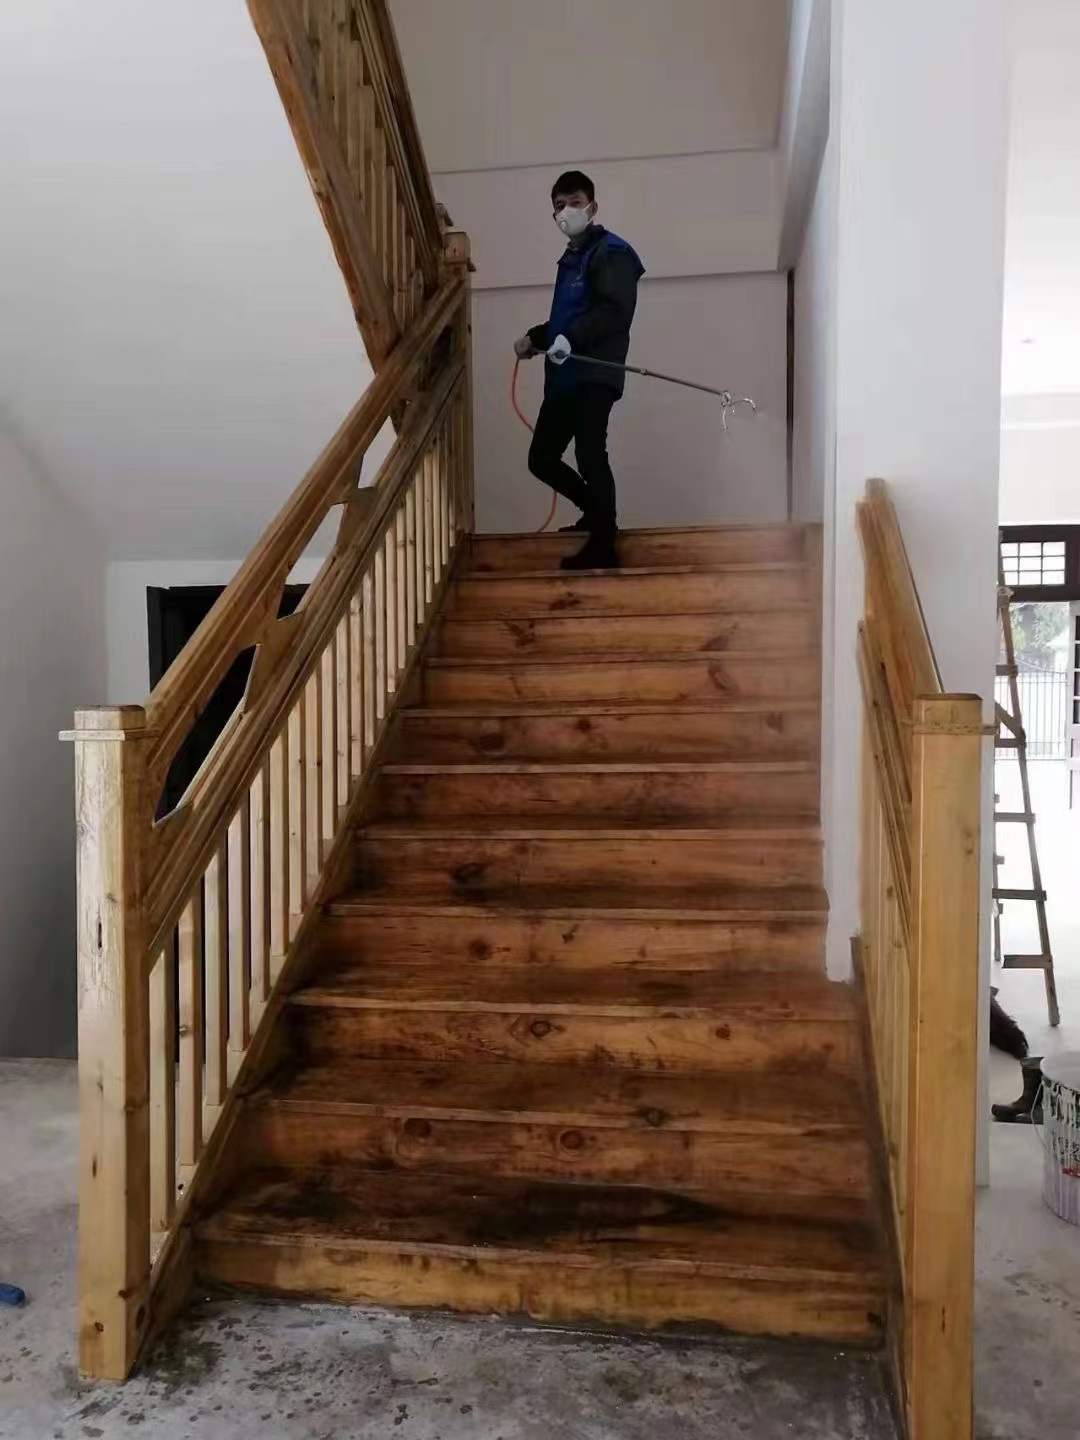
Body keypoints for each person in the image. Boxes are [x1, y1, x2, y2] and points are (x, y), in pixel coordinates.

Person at [514, 171, 645, 570]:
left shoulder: (613, 252)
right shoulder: (571, 259)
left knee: (589, 453)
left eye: (574, 202)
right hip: (563, 378)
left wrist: (569, 338)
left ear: (592, 206)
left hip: (595, 374)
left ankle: (604, 543)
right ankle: (596, 512)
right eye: (559, 205)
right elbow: (567, 317)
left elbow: (614, 311)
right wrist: (536, 337)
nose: (566, 211)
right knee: (542, 458)